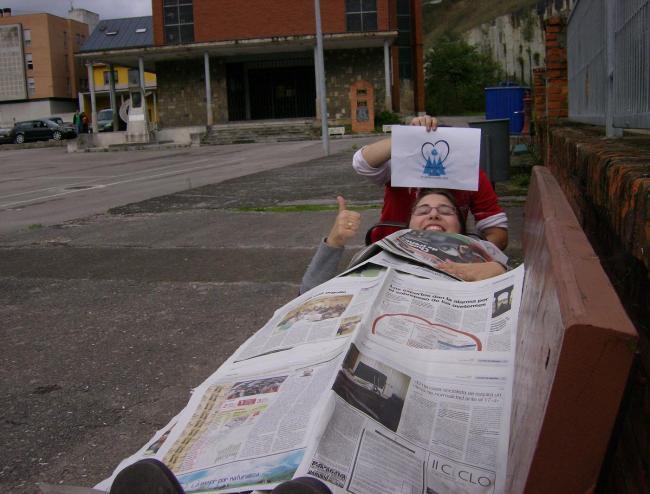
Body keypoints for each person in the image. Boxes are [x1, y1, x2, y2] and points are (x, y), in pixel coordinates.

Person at [300, 188, 507, 294]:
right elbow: (307, 296)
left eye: (445, 211)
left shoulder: (483, 251)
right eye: (423, 211)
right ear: (409, 226)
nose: (433, 214)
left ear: (461, 227)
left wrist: (500, 273)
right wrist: (334, 241)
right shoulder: (380, 251)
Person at [352, 115, 509, 250]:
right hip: (390, 248)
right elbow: (362, 163)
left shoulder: (471, 174)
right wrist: (407, 137)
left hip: (447, 252)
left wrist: (469, 254)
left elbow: (497, 231)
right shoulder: (405, 162)